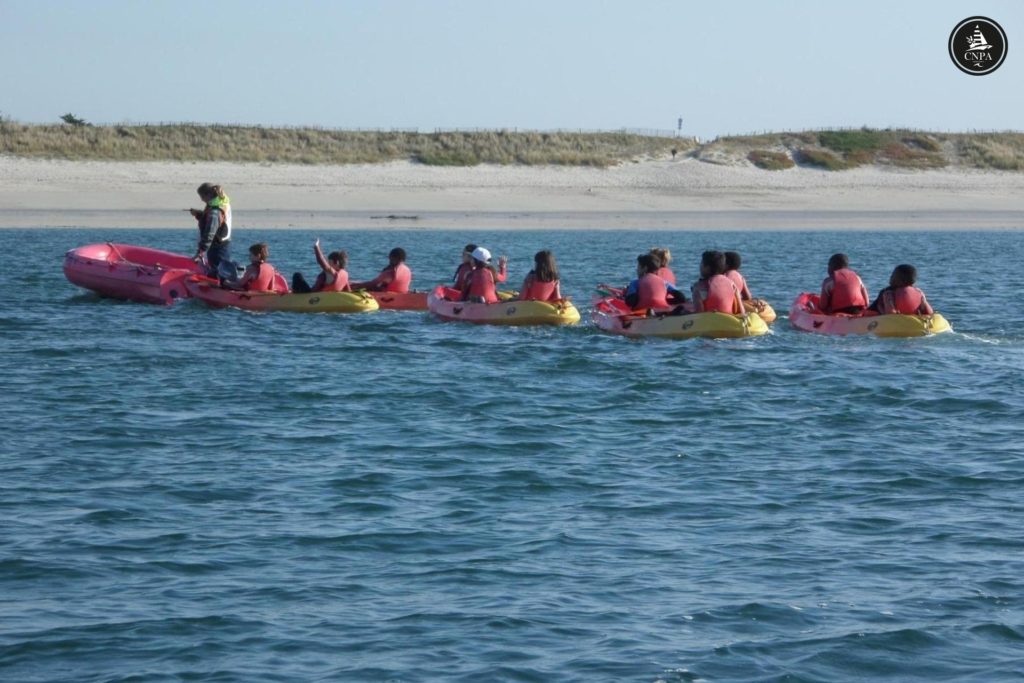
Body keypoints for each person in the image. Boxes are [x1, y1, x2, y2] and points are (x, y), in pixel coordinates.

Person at [190, 183, 232, 274]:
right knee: (220, 271)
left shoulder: (215, 211)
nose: (202, 200)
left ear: (208, 195)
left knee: (218, 272)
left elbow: (210, 233)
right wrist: (199, 214)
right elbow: (215, 222)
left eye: (202, 197)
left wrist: (201, 251)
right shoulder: (221, 202)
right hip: (222, 244)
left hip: (218, 247)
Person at [867, 264, 934, 315]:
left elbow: (890, 313)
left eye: (893, 275)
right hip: (912, 322)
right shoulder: (919, 292)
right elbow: (929, 313)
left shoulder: (888, 292)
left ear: (899, 280)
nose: (891, 277)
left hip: (892, 321)